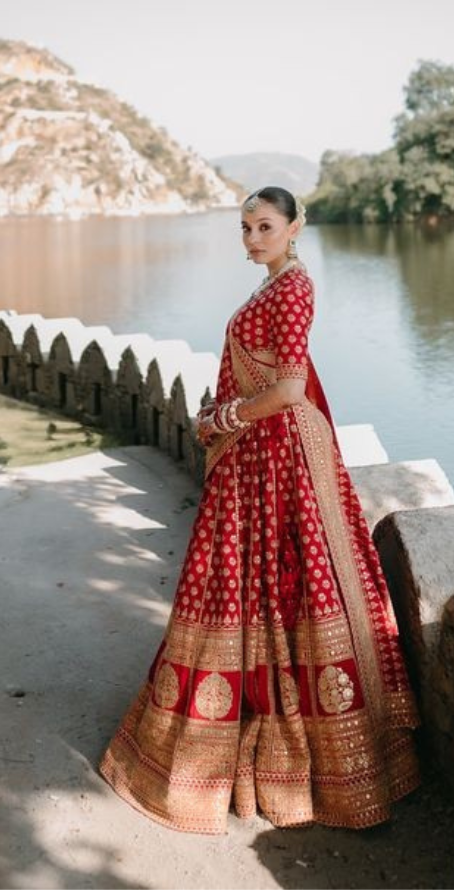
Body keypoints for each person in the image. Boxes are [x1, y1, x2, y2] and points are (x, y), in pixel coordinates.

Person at [99, 186, 420, 833]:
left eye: (264, 227)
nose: (251, 239)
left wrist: (221, 416)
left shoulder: (295, 289)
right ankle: (233, 744)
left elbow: (290, 388)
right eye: (245, 228)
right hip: (256, 457)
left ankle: (314, 766)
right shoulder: (270, 286)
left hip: (280, 457)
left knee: (287, 590)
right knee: (245, 590)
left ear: (295, 226)